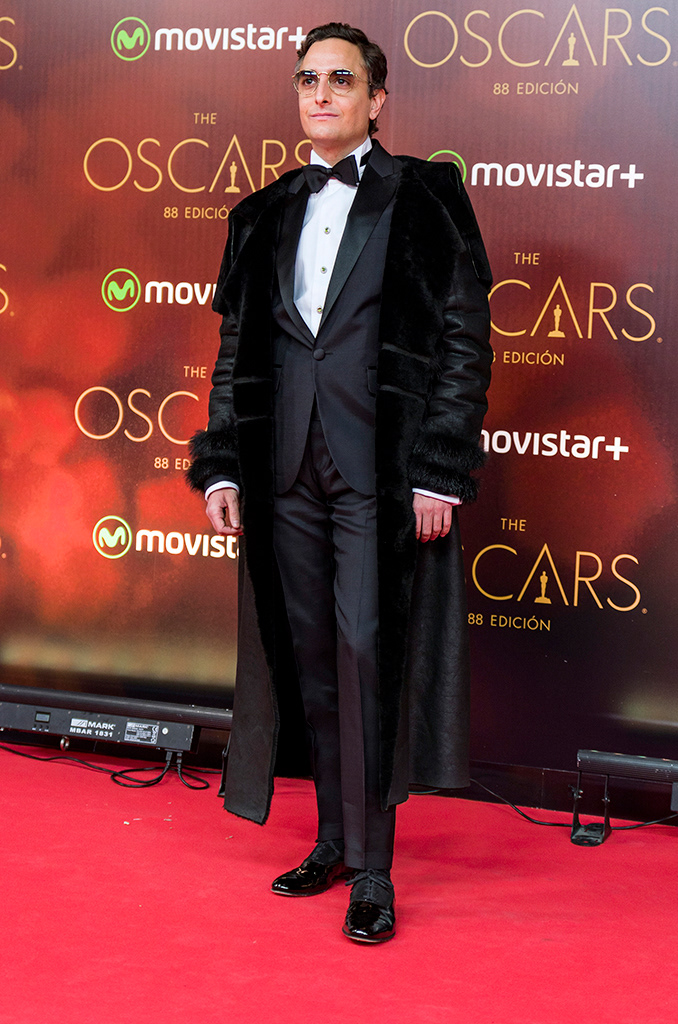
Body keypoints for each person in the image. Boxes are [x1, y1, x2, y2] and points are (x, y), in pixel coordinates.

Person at [187, 22, 492, 943]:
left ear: (376, 97)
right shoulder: (260, 212)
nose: (320, 94)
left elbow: (465, 341)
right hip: (282, 468)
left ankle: (375, 868)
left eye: (341, 79)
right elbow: (236, 351)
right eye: (308, 79)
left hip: (378, 471)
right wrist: (222, 461)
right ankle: (330, 838)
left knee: (368, 653)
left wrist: (439, 470)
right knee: (311, 659)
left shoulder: (426, 194)